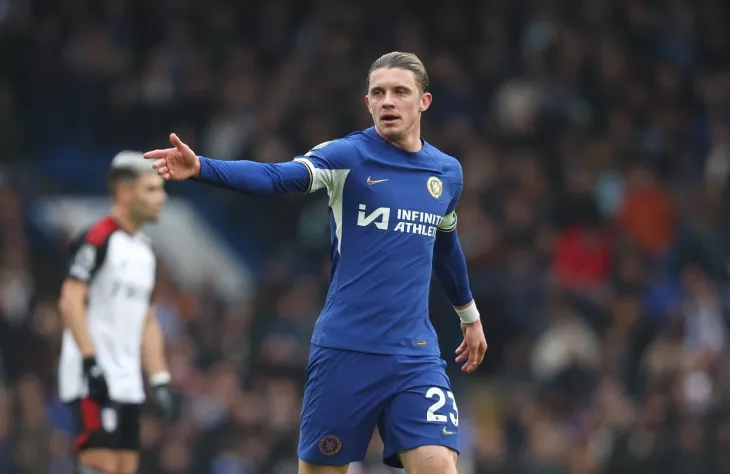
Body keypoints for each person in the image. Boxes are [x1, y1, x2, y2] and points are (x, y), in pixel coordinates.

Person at [145, 51, 487, 474]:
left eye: (400, 92)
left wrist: (469, 316)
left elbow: (446, 244)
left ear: (424, 101)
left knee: (439, 467)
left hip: (414, 355)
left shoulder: (446, 173)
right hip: (346, 351)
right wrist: (202, 167)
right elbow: (276, 177)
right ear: (367, 102)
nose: (388, 101)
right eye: (378, 93)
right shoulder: (348, 157)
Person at [57, 151, 177, 474]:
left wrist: (160, 378)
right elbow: (70, 300)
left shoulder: (146, 252)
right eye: (151, 189)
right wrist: (90, 362)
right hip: (93, 377)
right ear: (124, 192)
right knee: (101, 464)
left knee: (126, 467)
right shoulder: (97, 238)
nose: (161, 198)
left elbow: (147, 320)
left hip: (128, 381)